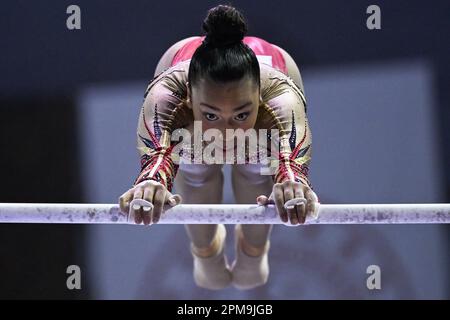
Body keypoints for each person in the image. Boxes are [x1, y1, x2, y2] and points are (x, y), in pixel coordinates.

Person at [119, 4, 319, 290]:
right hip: (189, 101)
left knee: (256, 169)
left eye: (240, 114)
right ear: (189, 97)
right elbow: (157, 161)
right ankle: (205, 253)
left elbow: (290, 166)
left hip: (271, 89)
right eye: (212, 114)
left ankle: (253, 250)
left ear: (259, 98)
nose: (226, 132)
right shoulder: (168, 96)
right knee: (197, 168)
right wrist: (151, 183)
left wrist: (292, 183)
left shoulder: (280, 101)